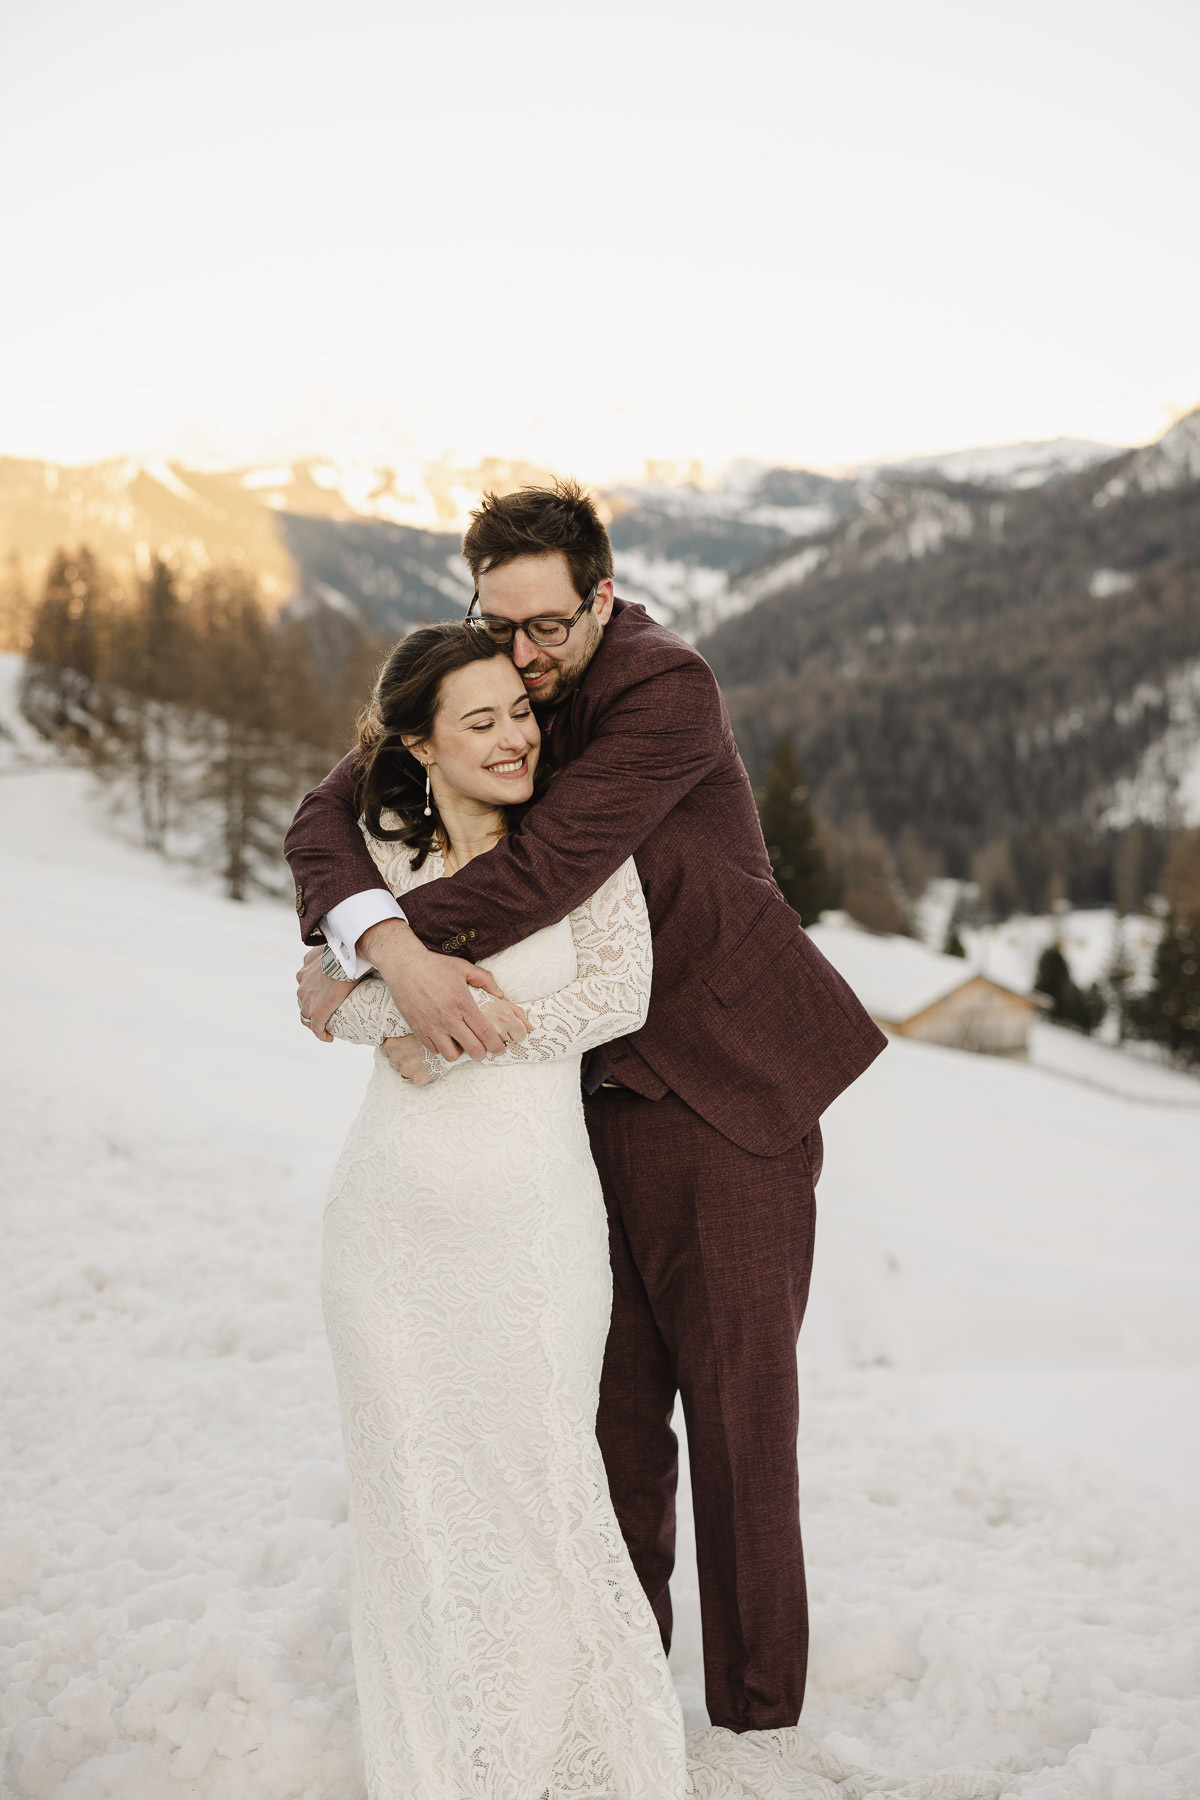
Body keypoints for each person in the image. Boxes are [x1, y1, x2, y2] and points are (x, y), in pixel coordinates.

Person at [287, 479, 886, 1737]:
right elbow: (322, 812)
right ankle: (620, 1706)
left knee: (739, 1426)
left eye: (546, 628)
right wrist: (380, 948)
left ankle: (756, 1726)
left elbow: (549, 871)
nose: (520, 657)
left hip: (727, 1088)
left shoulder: (666, 691)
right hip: (577, 1113)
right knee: (607, 1426)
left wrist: (371, 970)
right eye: (496, 624)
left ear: (604, 599)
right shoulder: (497, 685)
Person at [319, 624, 691, 1795]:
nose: (514, 737)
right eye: (479, 722)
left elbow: (619, 993)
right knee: (413, 1490)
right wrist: (401, 1006)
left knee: (536, 1478)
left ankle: (566, 1757)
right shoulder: (381, 860)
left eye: (519, 713)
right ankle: (439, 1760)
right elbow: (322, 998)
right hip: (387, 1223)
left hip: (529, 1219)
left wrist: (449, 1032)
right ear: (419, 746)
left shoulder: (577, 847)